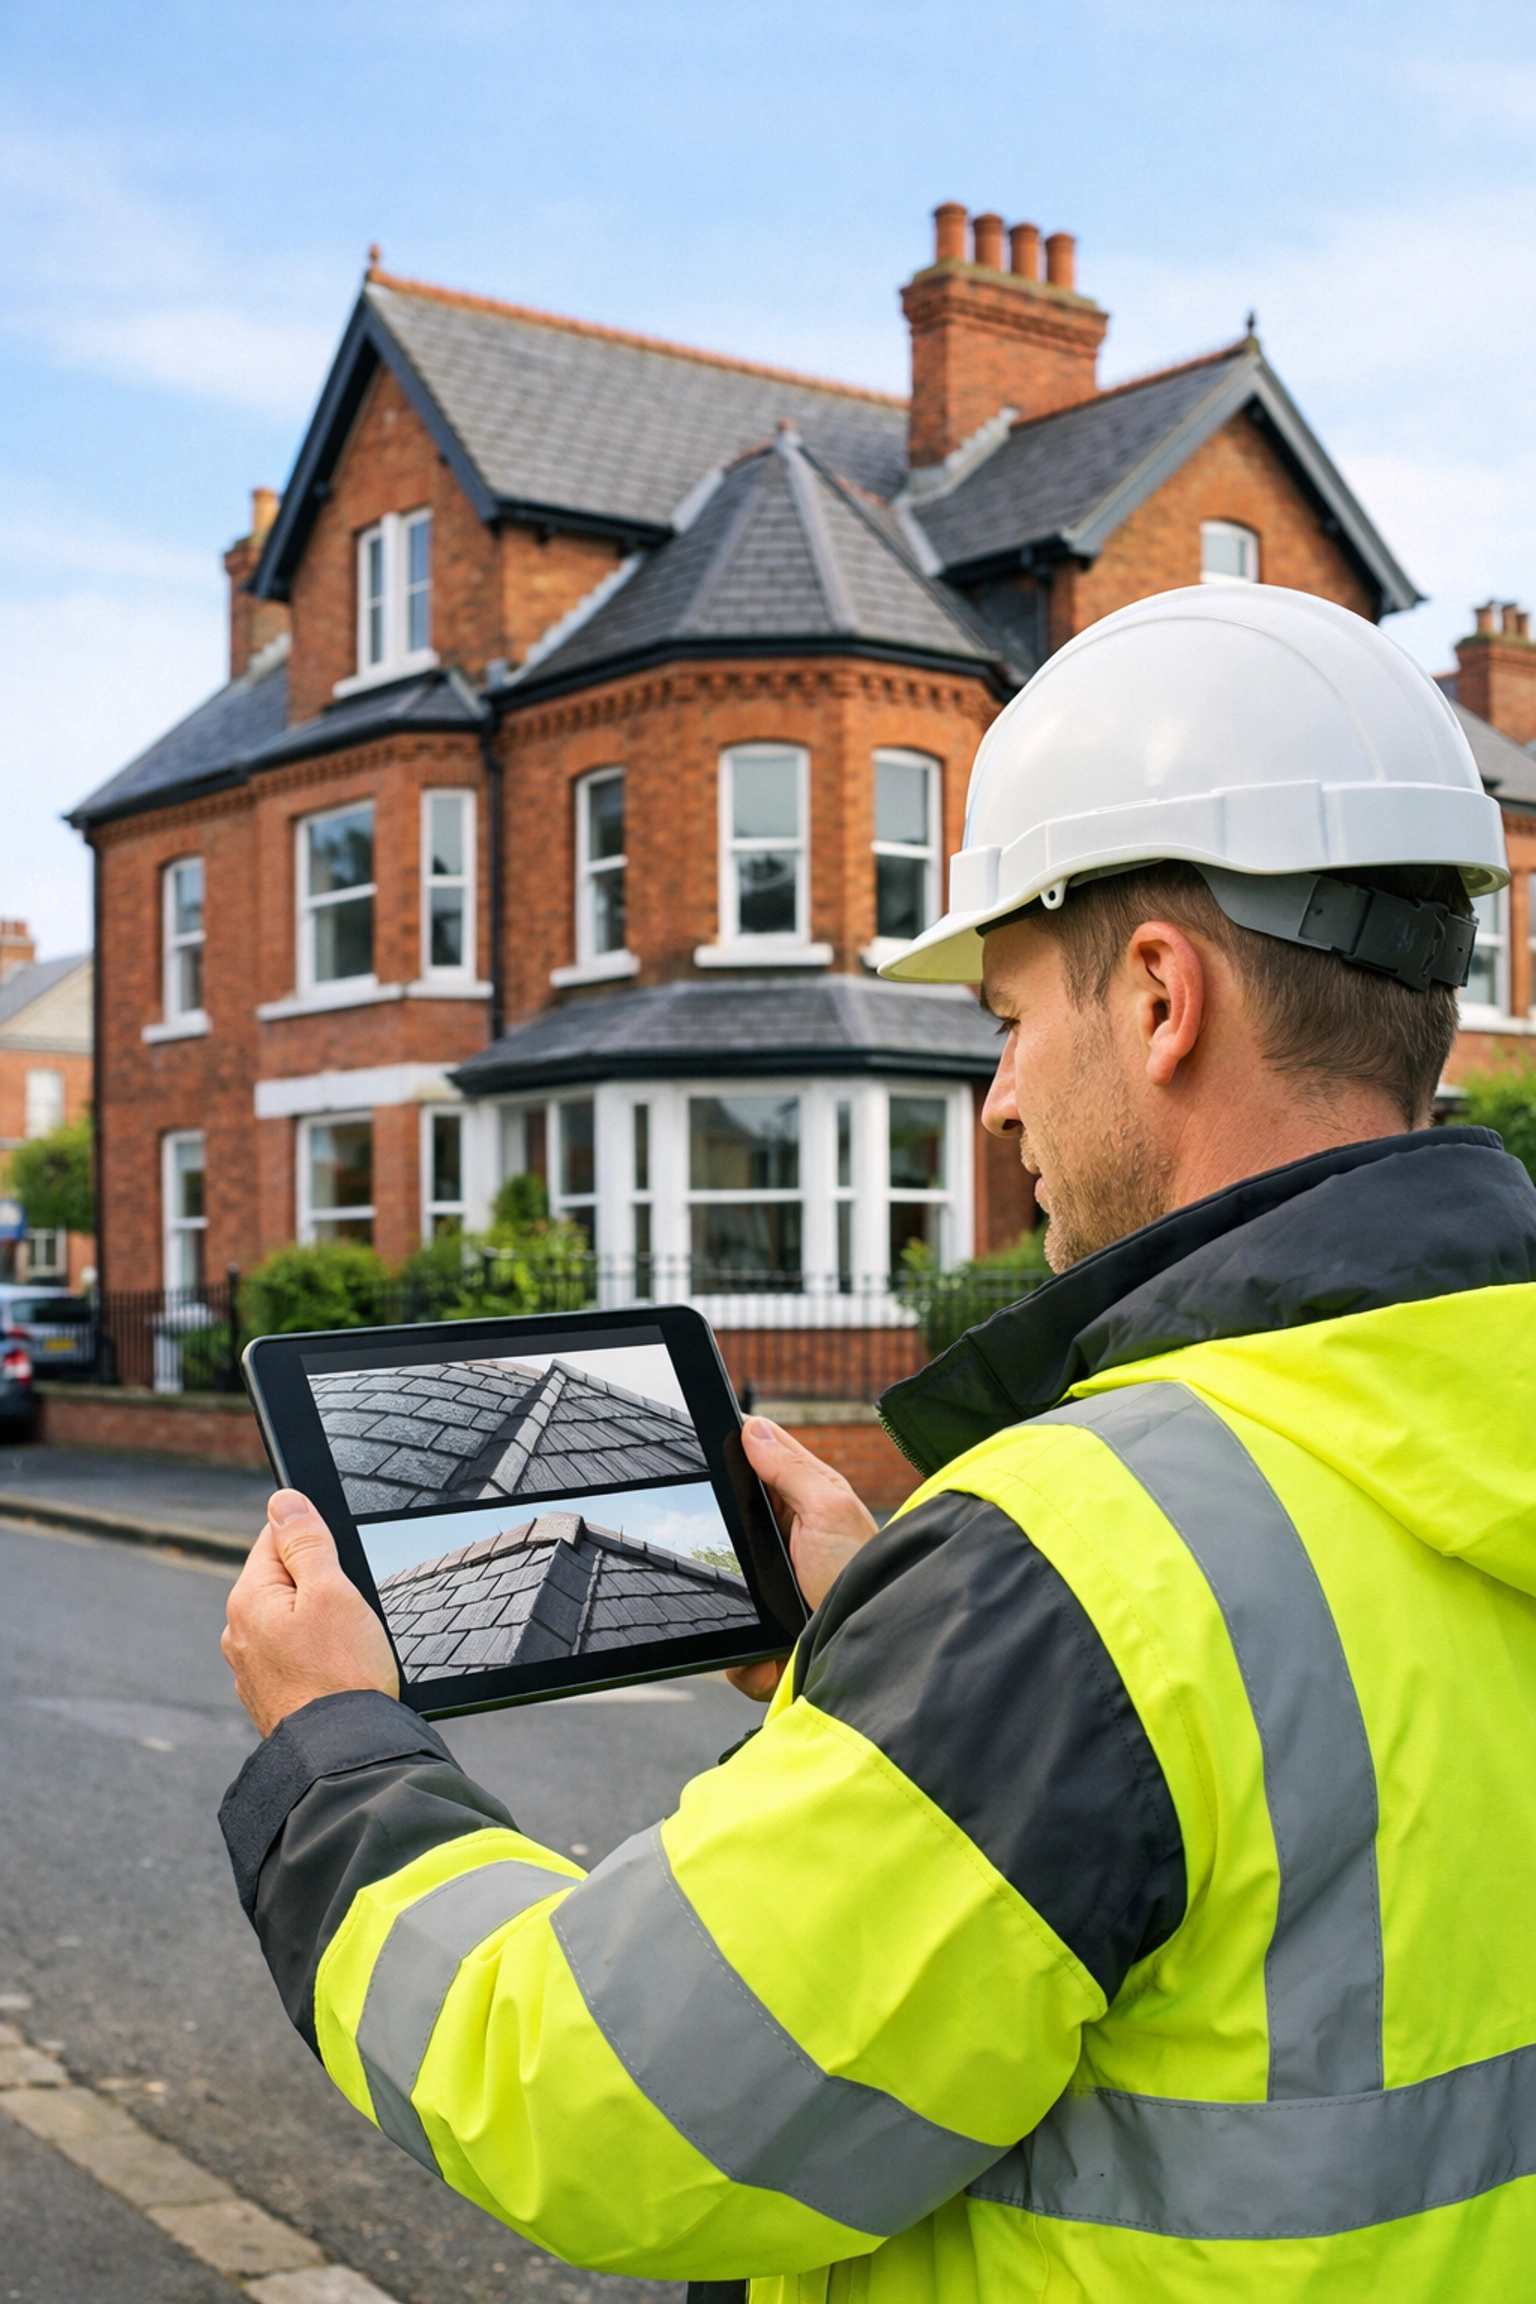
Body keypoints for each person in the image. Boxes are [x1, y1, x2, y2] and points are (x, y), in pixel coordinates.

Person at [219, 585, 1536, 2301]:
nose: (995, 1101)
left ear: (1157, 1000)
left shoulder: (1084, 1570)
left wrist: (337, 1752)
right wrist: (885, 1634)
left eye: (1006, 1020)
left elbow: (604, 2101)